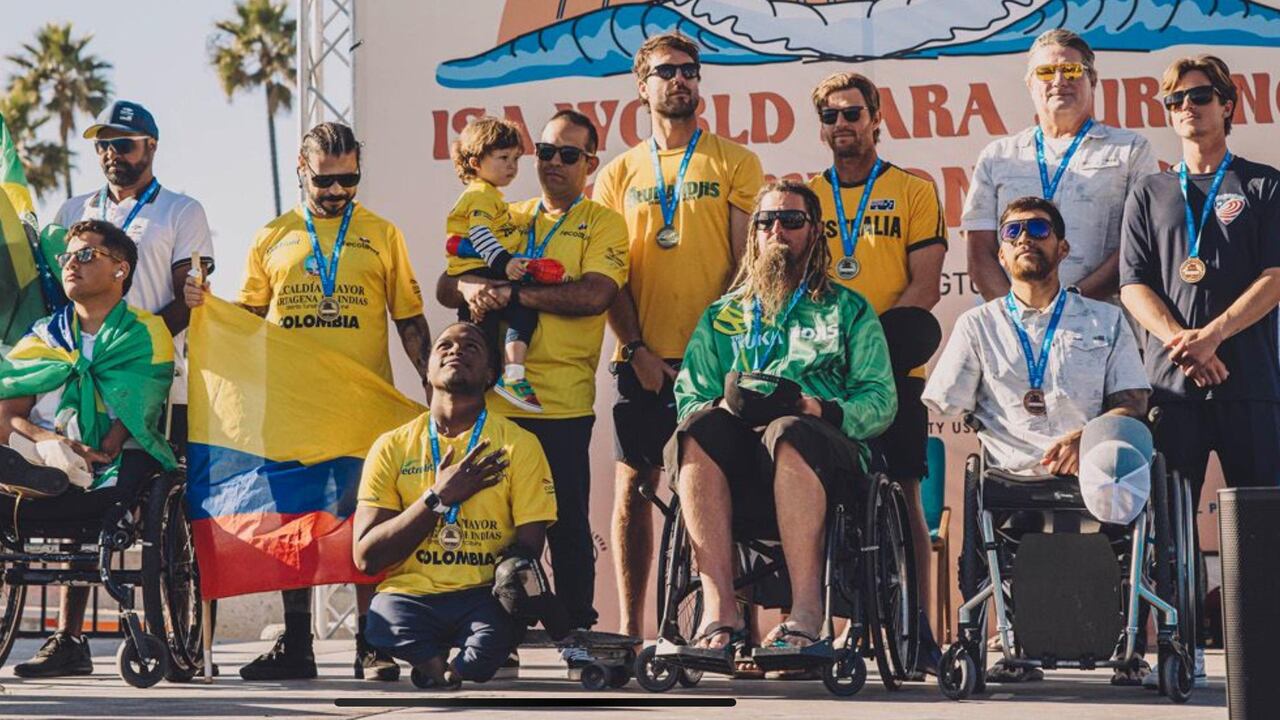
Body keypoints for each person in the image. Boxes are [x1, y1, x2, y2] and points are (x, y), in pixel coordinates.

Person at [185, 122, 433, 682]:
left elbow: (409, 318)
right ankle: (297, 643)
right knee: (292, 525)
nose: (338, 192)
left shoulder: (382, 234)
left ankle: (373, 644)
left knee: (366, 521)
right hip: (290, 408)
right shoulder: (271, 236)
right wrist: (207, 311)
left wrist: (431, 386)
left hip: (360, 409)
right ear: (302, 168)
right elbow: (247, 319)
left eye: (350, 180)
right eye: (326, 180)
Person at [11, 99, 213, 680]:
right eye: (102, 143)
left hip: (150, 373)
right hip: (72, 366)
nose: (111, 153)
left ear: (150, 146)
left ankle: (178, 632)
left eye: (123, 143)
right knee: (59, 473)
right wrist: (75, 350)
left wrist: (130, 350)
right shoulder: (74, 208)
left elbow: (188, 293)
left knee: (140, 492)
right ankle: (69, 637)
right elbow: (55, 290)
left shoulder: (180, 209)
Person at [924, 196, 1150, 683]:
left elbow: (1133, 400)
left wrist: (1089, 436)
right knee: (984, 488)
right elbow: (946, 403)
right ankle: (1005, 640)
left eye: (1039, 229)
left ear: (1063, 247)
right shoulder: (976, 325)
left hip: (1092, 472)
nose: (1025, 237)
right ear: (1001, 255)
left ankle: (1129, 646)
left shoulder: (1105, 320)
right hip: (1011, 477)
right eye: (1012, 232)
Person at [668, 180, 896, 660]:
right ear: (753, 234)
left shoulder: (848, 309)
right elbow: (689, 393)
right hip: (739, 461)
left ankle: (808, 614)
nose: (778, 230)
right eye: (766, 221)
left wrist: (821, 409)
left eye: (791, 221)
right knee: (696, 431)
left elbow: (880, 399)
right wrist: (727, 410)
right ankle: (721, 613)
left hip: (821, 449)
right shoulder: (721, 315)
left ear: (814, 233)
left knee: (788, 430)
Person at [437, 110, 629, 671]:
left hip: (561, 402)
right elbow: (452, 280)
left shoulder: (603, 222)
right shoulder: (508, 212)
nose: (552, 163)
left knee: (567, 523)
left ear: (591, 164)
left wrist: (511, 296)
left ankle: (578, 635)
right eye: (544, 152)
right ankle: (495, 637)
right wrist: (477, 284)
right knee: (491, 524)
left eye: (568, 155)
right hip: (498, 404)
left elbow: (594, 295)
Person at [594, 32, 764, 642]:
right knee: (635, 490)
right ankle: (632, 629)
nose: (680, 80)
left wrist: (714, 350)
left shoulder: (734, 161)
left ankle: (729, 622)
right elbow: (607, 273)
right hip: (643, 356)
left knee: (725, 486)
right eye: (666, 71)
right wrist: (635, 348)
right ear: (642, 86)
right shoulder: (616, 174)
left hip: (719, 358)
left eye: (689, 70)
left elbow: (749, 264)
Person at [1120, 54, 1280, 689]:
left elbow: (1274, 279)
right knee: (1171, 524)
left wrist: (1213, 335)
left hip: (1253, 384)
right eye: (1175, 100)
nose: (1188, 107)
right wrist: (1182, 343)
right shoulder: (1150, 192)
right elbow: (1134, 285)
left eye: (1201, 96)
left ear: (1228, 104)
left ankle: (1267, 654)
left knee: (1262, 524)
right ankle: (1177, 647)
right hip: (1172, 387)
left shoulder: (1265, 185)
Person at [806, 70, 947, 676]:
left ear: (875, 117)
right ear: (822, 127)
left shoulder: (914, 191)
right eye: (832, 116)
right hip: (822, 372)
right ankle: (828, 626)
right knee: (819, 500)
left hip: (892, 366)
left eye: (853, 113)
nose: (843, 124)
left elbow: (925, 286)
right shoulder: (807, 195)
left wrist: (868, 350)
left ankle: (918, 626)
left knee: (907, 497)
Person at [0, 220, 178, 677]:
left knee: (81, 468)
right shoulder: (42, 335)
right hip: (37, 447)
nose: (71, 264)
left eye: (85, 255)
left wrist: (101, 448)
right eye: (66, 257)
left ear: (120, 269)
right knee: (34, 452)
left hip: (111, 462)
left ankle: (55, 473)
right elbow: (9, 411)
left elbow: (142, 402)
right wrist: (49, 439)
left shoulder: (145, 331)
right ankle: (41, 470)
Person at [354, 321, 557, 690]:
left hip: (482, 597)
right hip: (412, 597)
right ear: (427, 371)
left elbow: (528, 550)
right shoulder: (392, 446)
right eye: (444, 346)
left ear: (490, 375)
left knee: (487, 653)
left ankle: (454, 672)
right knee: (379, 623)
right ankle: (435, 665)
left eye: (472, 347)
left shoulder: (520, 445)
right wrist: (437, 498)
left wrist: (507, 605)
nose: (456, 350)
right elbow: (367, 557)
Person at [963, 29, 1157, 302]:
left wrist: (1070, 304)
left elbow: (1138, 244)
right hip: (1013, 330)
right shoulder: (997, 156)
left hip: (1100, 324)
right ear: (1030, 84)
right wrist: (1017, 314)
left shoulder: (1131, 150)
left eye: (1071, 70)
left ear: (1092, 80)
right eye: (1045, 72)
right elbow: (980, 252)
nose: (1059, 80)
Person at [446, 116, 554, 413]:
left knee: (485, 341)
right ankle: (508, 378)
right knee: (507, 320)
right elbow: (480, 234)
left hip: (483, 270)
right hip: (480, 273)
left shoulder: (492, 196)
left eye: (516, 158)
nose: (512, 166)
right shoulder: (481, 195)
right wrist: (505, 264)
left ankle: (503, 379)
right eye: (503, 158)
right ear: (475, 161)